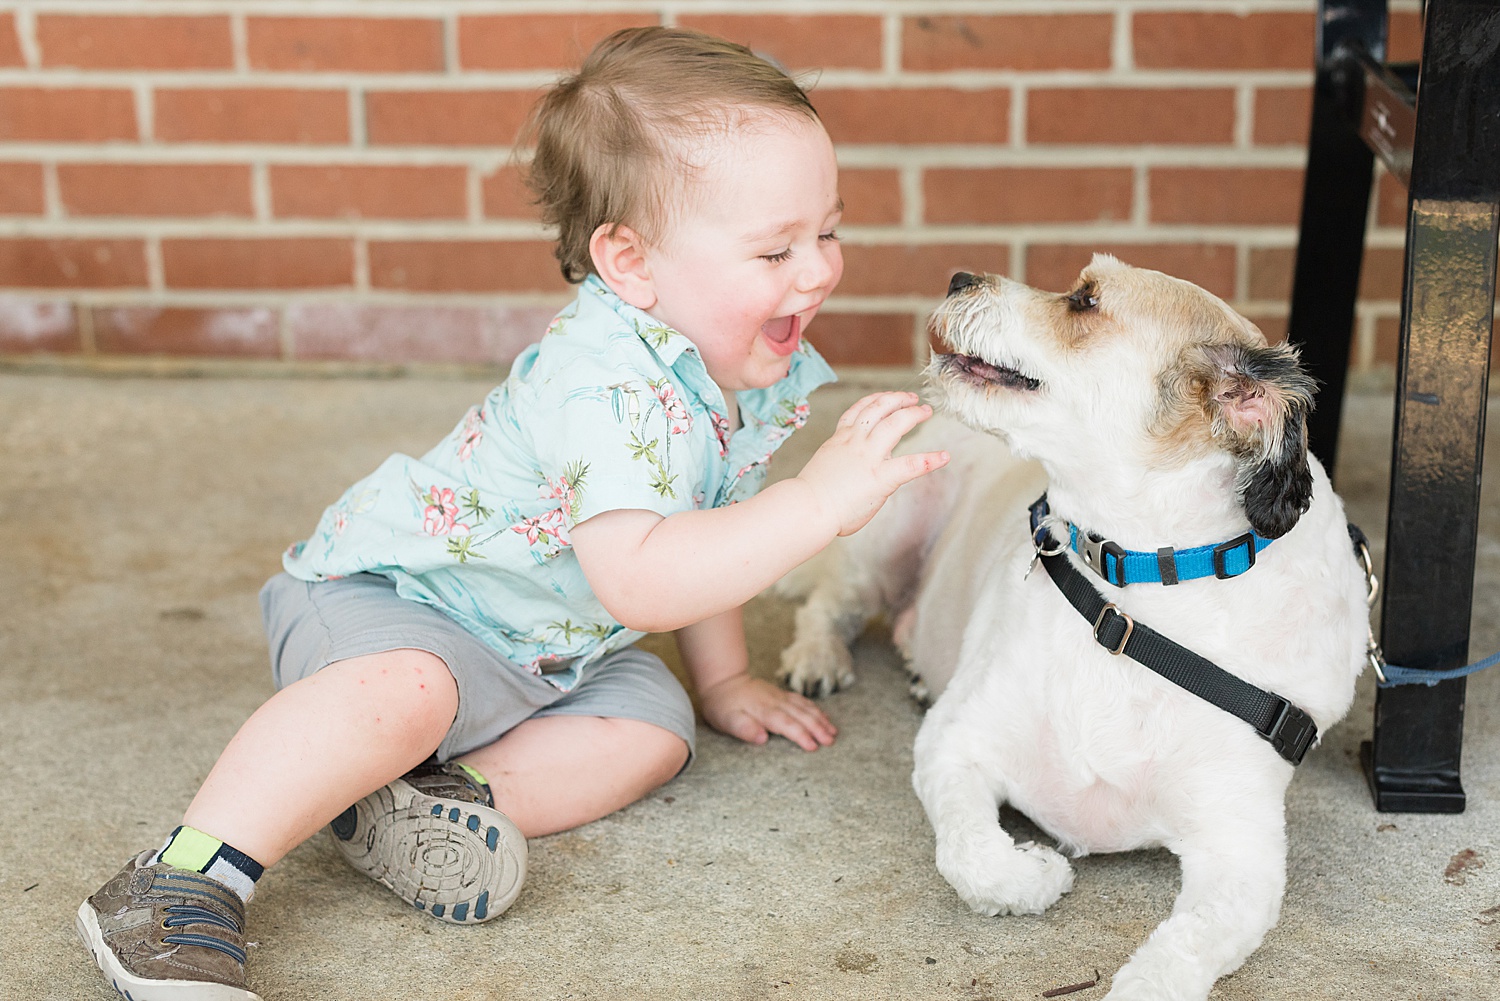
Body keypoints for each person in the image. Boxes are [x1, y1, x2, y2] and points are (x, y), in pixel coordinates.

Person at [75, 26, 948, 1001]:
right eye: (775, 248)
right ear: (631, 261)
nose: (818, 270)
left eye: (826, 231)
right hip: (393, 605)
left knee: (654, 724)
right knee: (409, 690)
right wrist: (816, 503)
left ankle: (423, 801)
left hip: (536, 653)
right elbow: (642, 575)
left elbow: (703, 526)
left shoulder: (720, 365)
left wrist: (725, 676)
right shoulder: (608, 387)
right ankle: (185, 874)